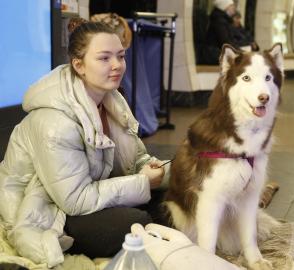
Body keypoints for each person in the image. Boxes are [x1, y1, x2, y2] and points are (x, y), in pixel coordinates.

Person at [0, 22, 170, 267]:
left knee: (171, 197)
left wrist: (163, 170)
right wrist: (142, 182)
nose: (116, 65)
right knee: (135, 223)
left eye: (120, 56)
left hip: (88, 193)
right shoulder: (55, 124)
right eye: (104, 58)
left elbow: (135, 159)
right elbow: (75, 200)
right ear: (78, 65)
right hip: (49, 209)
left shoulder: (112, 100)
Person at [202, 0, 237, 64]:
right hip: (214, 55)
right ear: (225, 7)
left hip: (219, 53)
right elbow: (225, 41)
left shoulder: (224, 20)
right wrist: (239, 52)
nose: (234, 8)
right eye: (231, 6)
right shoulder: (219, 21)